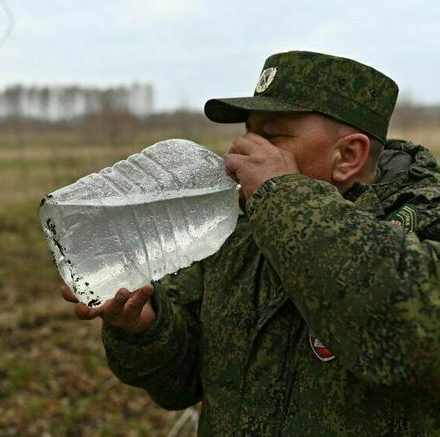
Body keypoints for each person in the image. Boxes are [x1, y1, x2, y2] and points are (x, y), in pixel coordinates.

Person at [61, 51, 440, 435]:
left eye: (271, 136)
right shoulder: (238, 231)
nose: (238, 152)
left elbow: (413, 336)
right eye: (249, 132)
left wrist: (282, 196)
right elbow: (180, 385)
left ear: (347, 156)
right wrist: (147, 327)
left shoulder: (426, 223)